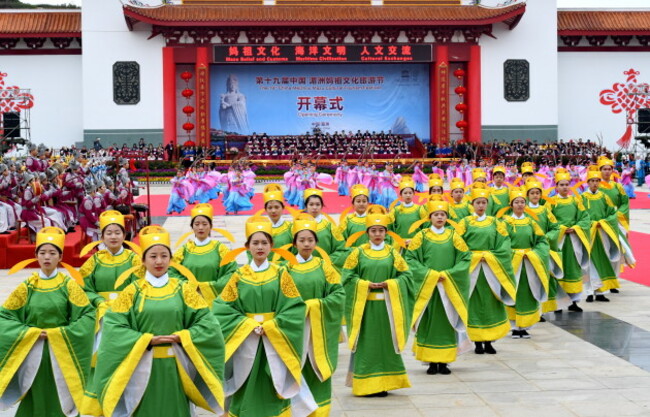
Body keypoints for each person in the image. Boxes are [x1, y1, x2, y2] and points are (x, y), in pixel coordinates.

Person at [91, 226, 226, 417]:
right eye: (153, 256)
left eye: (164, 256)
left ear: (171, 260)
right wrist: (145, 340)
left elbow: (207, 323)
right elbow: (114, 327)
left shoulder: (183, 289)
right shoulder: (132, 291)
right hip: (141, 365)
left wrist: (183, 336)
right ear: (143, 260)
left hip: (177, 365)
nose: (159, 261)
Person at [213, 217, 310, 417]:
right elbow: (221, 308)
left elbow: (294, 307)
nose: (260, 247)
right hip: (246, 336)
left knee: (271, 378)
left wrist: (273, 326)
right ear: (247, 246)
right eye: (255, 243)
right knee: (245, 379)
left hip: (274, 336)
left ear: (271, 246)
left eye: (264, 243)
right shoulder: (239, 276)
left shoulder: (281, 273)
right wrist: (247, 324)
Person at [0, 227, 95, 416]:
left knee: (58, 393)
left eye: (52, 253)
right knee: (34, 390)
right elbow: (5, 316)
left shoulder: (68, 286)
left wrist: (60, 333)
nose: (47, 257)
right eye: (42, 252)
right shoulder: (27, 287)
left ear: (60, 257)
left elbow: (87, 316)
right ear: (36, 255)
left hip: (61, 350)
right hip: (32, 347)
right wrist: (30, 333)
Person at [342, 208, 413, 397]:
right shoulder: (357, 253)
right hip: (365, 308)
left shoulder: (393, 254)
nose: (377, 234)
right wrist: (364, 285)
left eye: (381, 230)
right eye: (373, 230)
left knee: (387, 345)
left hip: (388, 308)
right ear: (367, 233)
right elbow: (347, 277)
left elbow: (406, 276)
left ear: (386, 233)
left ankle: (386, 383)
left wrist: (390, 284)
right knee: (367, 345)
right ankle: (366, 384)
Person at [285, 215, 345, 416]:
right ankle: (296, 407)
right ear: (294, 243)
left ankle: (320, 409)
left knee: (315, 365)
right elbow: (279, 299)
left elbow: (338, 294)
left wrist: (315, 305)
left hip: (319, 328)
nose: (306, 244)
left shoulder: (324, 266)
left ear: (316, 243)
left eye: (310, 240)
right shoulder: (286, 269)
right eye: (301, 240)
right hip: (295, 328)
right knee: (294, 367)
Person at [405, 199, 471, 375]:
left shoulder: (454, 236)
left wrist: (449, 274)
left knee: (447, 321)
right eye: (436, 215)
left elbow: (465, 258)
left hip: (448, 286)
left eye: (443, 215)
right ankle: (431, 361)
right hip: (428, 288)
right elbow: (410, 259)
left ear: (447, 218)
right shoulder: (421, 236)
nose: (440, 217)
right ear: (430, 217)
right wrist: (430, 275)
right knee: (428, 323)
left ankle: (444, 361)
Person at [456, 184, 516, 355]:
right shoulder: (464, 223)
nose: (481, 206)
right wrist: (473, 257)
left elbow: (504, 244)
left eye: (483, 202)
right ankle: (476, 341)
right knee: (473, 303)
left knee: (491, 303)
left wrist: (490, 256)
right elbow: (458, 245)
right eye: (478, 203)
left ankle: (490, 340)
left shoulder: (496, 223)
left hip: (491, 268)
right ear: (472, 204)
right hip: (472, 269)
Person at [500, 189, 550, 338]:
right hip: (512, 263)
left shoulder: (531, 222)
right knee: (513, 292)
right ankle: (514, 326)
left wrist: (534, 253)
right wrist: (514, 254)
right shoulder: (505, 222)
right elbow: (502, 243)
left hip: (528, 262)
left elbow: (541, 241)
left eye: (522, 202)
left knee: (527, 292)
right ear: (511, 204)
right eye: (517, 202)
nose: (520, 205)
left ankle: (525, 325)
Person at [172, 203, 238, 304]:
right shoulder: (184, 250)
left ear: (211, 226)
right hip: (191, 300)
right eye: (197, 224)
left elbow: (231, 272)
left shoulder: (220, 249)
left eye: (204, 224)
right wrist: (189, 286)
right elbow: (171, 271)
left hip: (214, 301)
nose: (201, 228)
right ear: (192, 227)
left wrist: (207, 288)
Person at [547, 171, 591, 311]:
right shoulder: (551, 203)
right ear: (556, 187)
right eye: (562, 185)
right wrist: (560, 229)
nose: (565, 187)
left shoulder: (575, 201)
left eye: (567, 185)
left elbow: (585, 218)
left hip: (573, 241)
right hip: (558, 242)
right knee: (558, 269)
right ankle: (558, 303)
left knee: (573, 269)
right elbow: (548, 221)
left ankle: (574, 301)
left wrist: (576, 228)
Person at [303, 189, 346, 268]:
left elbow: (341, 248)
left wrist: (327, 261)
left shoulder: (329, 226)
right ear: (306, 206)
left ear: (322, 206)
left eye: (317, 204)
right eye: (311, 204)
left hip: (326, 267)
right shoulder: (298, 226)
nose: (314, 207)